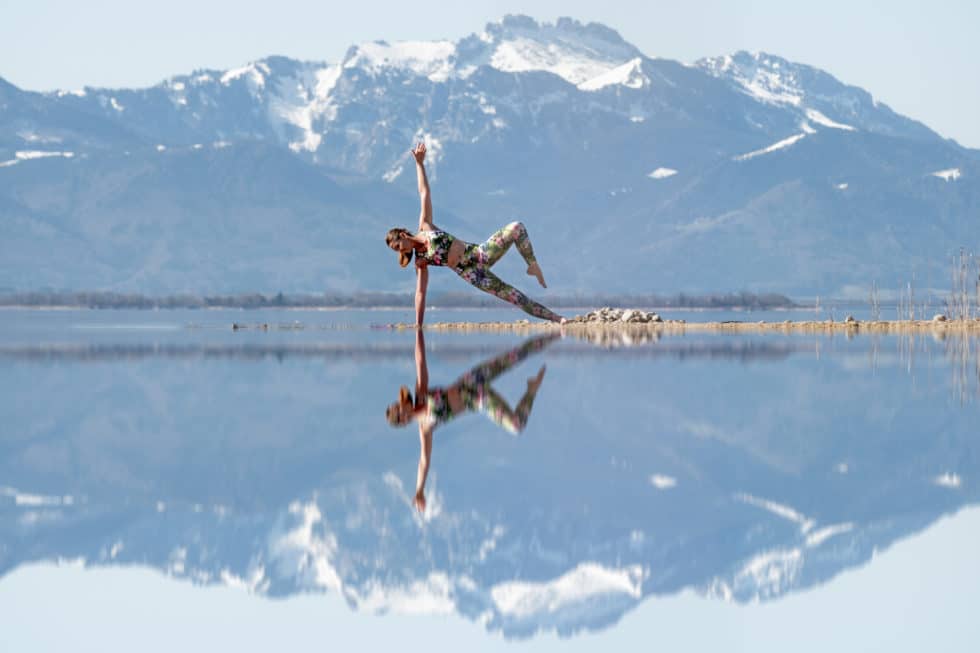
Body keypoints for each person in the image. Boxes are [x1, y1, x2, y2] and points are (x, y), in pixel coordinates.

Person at [385, 142, 566, 326]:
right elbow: (420, 293)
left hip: (479, 253)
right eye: (396, 250)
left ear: (403, 235)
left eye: (397, 246)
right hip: (473, 274)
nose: (400, 250)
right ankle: (558, 318)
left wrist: (419, 164)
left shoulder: (425, 225)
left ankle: (532, 264)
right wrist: (418, 325)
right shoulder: (420, 261)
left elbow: (424, 193)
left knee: (516, 227)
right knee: (515, 297)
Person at [386, 330, 558, 513]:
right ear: (402, 421)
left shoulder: (420, 394)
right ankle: (531, 390)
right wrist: (419, 490)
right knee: (516, 426)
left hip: (471, 381)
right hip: (478, 400)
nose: (401, 405)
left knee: (516, 355)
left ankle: (559, 332)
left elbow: (420, 362)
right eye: (398, 409)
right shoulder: (425, 428)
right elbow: (423, 461)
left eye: (398, 404)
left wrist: (417, 333)